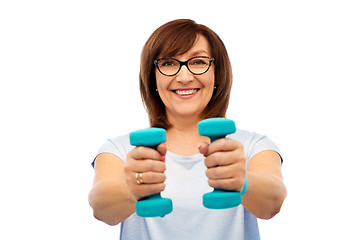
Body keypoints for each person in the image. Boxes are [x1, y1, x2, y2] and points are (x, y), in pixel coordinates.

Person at [89, 19, 287, 240]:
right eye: (168, 63)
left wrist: (242, 180)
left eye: (199, 61)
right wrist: (130, 189)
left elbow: (273, 202)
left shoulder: (253, 145)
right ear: (152, 77)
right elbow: (101, 207)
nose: (184, 77)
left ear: (216, 75)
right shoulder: (122, 149)